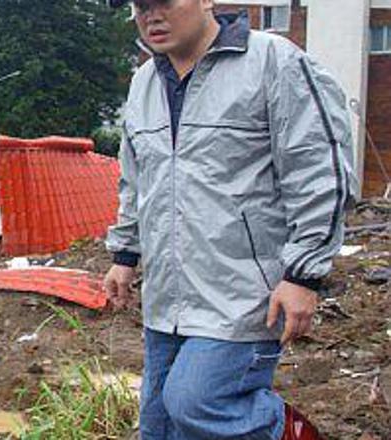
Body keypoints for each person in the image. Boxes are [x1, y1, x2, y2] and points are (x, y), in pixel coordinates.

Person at [103, 0, 358, 439]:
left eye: (163, 1)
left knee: (199, 401)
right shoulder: (144, 82)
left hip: (244, 295)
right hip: (168, 297)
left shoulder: (271, 62)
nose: (151, 16)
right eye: (141, 5)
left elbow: (320, 169)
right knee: (160, 425)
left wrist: (303, 274)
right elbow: (136, 177)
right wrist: (125, 253)